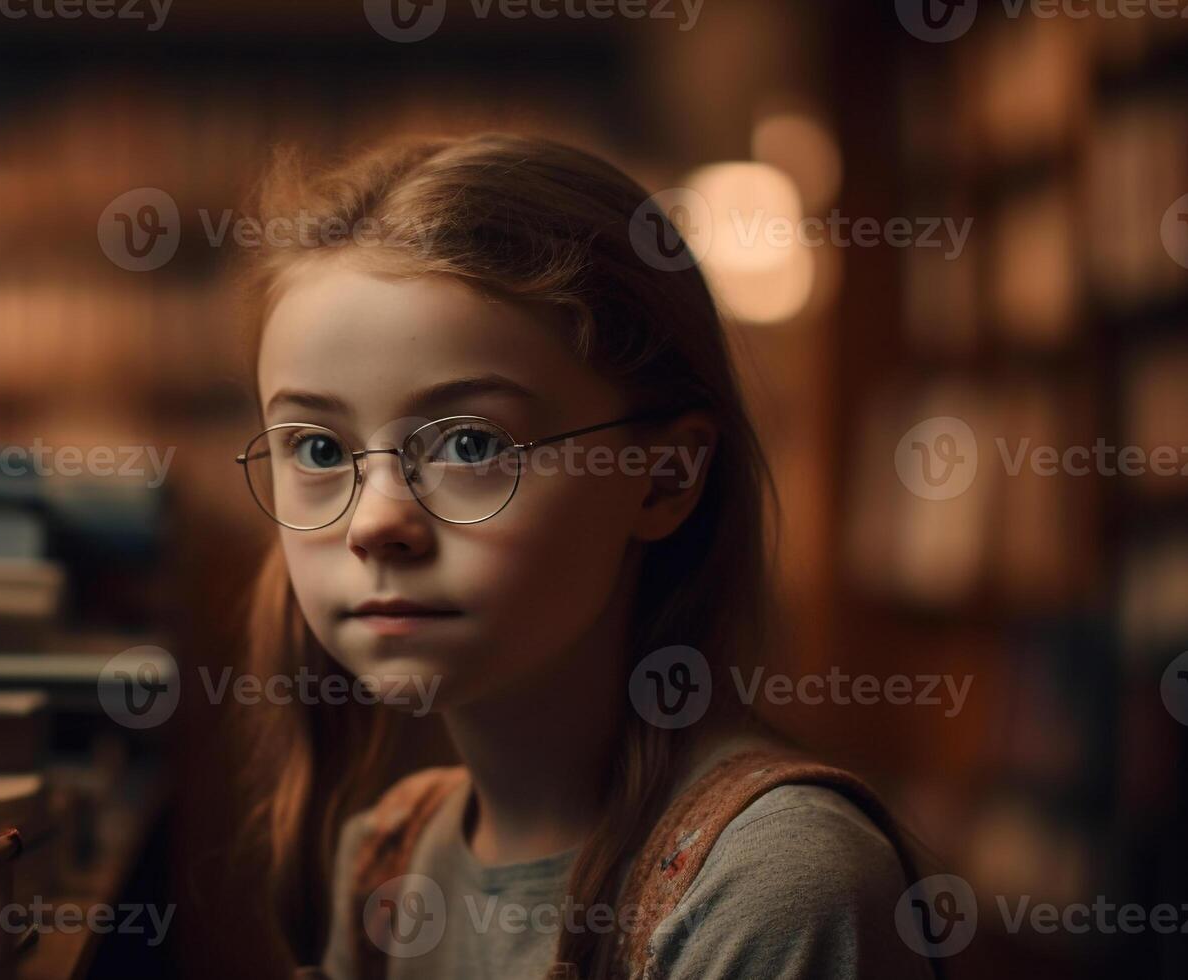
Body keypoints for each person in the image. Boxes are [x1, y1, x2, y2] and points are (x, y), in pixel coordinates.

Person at [233, 133, 934, 979]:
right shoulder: (383, 863)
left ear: (664, 477)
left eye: (466, 441)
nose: (375, 523)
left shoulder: (772, 887)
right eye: (315, 449)